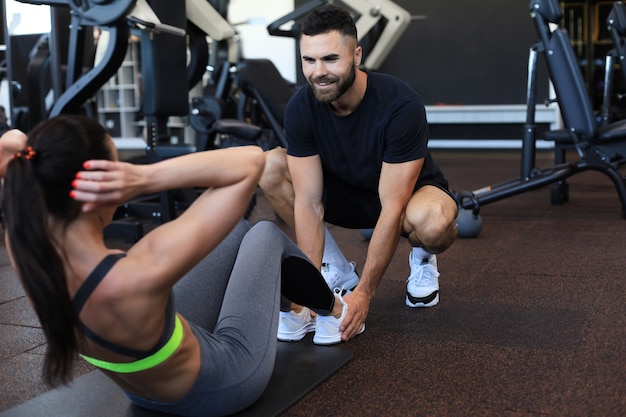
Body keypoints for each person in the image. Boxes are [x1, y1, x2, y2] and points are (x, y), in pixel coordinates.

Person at [0, 114, 354, 417]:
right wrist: (142, 178)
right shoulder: (138, 271)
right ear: (99, 188)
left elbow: (12, 143)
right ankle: (337, 311)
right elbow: (250, 161)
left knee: (235, 229)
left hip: (143, 386)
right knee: (264, 233)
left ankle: (292, 312)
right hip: (224, 384)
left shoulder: (24, 247)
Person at [259, 4, 458, 343]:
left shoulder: (400, 104)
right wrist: (311, 292)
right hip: (343, 192)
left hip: (404, 197)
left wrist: (365, 293)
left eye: (331, 59)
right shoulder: (301, 107)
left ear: (357, 56)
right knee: (270, 165)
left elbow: (392, 206)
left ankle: (423, 258)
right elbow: (308, 202)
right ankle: (332, 269)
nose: (319, 72)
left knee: (435, 222)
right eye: (309, 60)